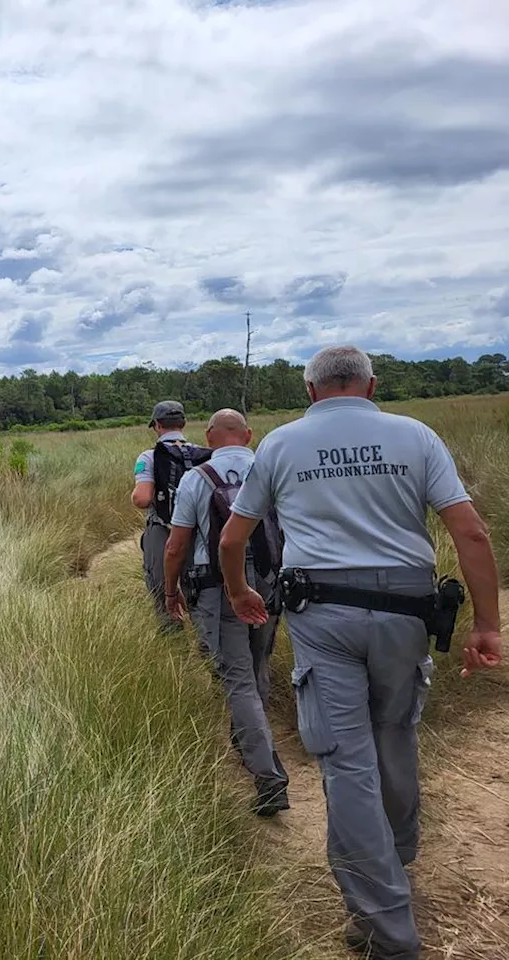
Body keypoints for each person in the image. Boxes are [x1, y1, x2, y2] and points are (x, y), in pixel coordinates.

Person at [219, 345, 502, 960]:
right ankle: (397, 860)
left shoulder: (281, 444)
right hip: (407, 610)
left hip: (322, 613)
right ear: (372, 386)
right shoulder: (416, 436)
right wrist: (488, 624)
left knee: (345, 761)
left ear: (310, 390)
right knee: (395, 735)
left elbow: (233, 535)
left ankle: (386, 930)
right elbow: (471, 531)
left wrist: (240, 591)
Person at [162, 408, 289, 816]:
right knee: (258, 667)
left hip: (219, 589)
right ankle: (253, 739)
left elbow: (176, 546)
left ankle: (268, 777)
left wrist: (170, 591)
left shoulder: (195, 479)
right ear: (249, 435)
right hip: (269, 583)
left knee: (237, 679)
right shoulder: (273, 469)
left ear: (210, 437)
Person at [132, 400, 205, 633]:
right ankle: (205, 638)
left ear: (156, 425)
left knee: (161, 585)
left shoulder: (149, 457)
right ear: (183, 423)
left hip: (163, 529)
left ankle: (173, 636)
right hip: (198, 530)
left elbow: (142, 499)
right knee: (199, 586)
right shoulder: (201, 454)